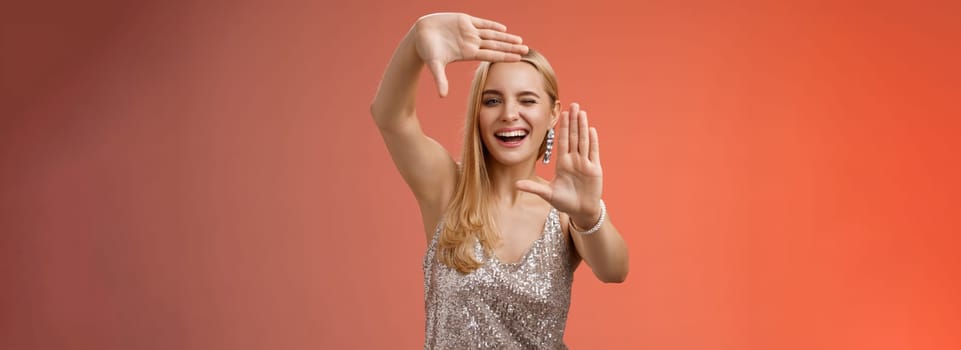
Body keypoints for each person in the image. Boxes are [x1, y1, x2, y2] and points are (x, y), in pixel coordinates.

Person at [371, 12, 629, 349]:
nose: (509, 113)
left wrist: (588, 213)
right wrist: (415, 42)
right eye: (493, 100)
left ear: (553, 113)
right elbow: (390, 117)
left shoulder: (564, 211)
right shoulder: (447, 188)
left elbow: (615, 271)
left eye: (527, 100)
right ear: (477, 112)